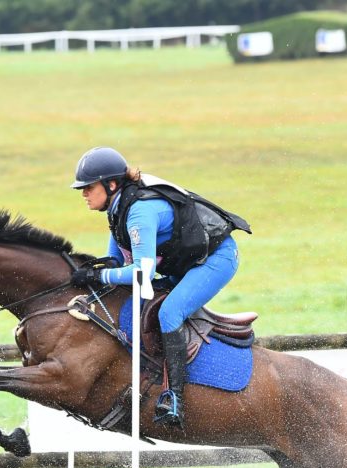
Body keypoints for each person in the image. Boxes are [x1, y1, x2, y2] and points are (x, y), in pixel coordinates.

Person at [68, 146, 249, 429]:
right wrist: (88, 271)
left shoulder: (138, 212)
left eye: (88, 187)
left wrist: (98, 277)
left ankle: (174, 399)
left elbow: (142, 272)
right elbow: (116, 262)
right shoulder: (118, 209)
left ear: (111, 184)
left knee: (169, 313)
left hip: (216, 259)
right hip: (187, 262)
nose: (83, 194)